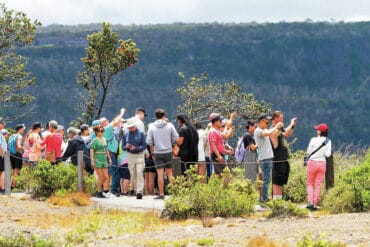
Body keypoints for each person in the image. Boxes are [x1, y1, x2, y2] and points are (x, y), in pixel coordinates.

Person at [146, 108, 178, 199]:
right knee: (170, 173)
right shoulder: (170, 125)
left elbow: (148, 141)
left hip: (157, 152)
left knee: (159, 174)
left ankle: (161, 194)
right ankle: (174, 193)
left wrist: (153, 146)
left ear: (155, 116)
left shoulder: (151, 126)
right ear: (164, 116)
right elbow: (175, 137)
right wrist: (171, 144)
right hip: (168, 151)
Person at [254, 114, 283, 203]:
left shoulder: (265, 129)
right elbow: (270, 133)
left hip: (268, 158)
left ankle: (264, 197)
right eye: (266, 121)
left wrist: (278, 128)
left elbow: (274, 133)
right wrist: (276, 127)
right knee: (266, 180)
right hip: (264, 158)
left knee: (267, 179)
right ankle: (264, 198)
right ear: (261, 121)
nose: (268, 123)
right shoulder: (258, 131)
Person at [270, 111, 297, 200]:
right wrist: (278, 127)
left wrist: (292, 125)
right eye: (281, 118)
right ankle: (276, 202)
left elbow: (287, 134)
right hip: (277, 160)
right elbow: (274, 133)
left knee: (280, 182)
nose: (282, 120)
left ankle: (279, 201)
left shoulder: (279, 129)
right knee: (276, 182)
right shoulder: (273, 129)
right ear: (276, 119)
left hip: (283, 160)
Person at [100, 108, 126, 197]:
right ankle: (114, 190)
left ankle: (110, 190)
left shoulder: (104, 130)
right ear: (104, 123)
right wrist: (121, 113)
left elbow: (115, 123)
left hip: (109, 152)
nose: (109, 121)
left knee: (110, 172)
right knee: (115, 172)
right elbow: (115, 122)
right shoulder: (107, 129)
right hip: (111, 152)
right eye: (107, 121)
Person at [305, 123, 332, 210]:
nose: (317, 131)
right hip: (322, 163)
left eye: (318, 129)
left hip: (312, 162)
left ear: (320, 132)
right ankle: (315, 203)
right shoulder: (328, 141)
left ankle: (310, 202)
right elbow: (328, 154)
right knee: (318, 184)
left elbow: (308, 152)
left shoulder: (313, 140)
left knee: (310, 183)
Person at [122, 118, 146, 199]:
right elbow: (122, 147)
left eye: (132, 127)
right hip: (130, 155)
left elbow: (144, 146)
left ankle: (139, 191)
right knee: (133, 174)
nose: (130, 128)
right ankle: (136, 190)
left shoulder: (141, 133)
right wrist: (127, 146)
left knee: (139, 172)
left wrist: (136, 148)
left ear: (135, 125)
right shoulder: (126, 134)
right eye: (129, 127)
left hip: (139, 155)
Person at [90, 125, 112, 198]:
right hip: (97, 158)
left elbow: (106, 150)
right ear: (96, 132)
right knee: (100, 176)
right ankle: (99, 191)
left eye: (102, 131)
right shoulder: (95, 140)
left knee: (106, 176)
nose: (101, 132)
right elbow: (92, 151)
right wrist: (92, 161)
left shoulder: (104, 139)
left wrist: (109, 158)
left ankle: (98, 189)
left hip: (104, 158)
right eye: (99, 131)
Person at [208, 112, 231, 178]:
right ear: (214, 122)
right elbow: (213, 145)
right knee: (227, 175)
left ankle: (216, 188)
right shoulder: (213, 131)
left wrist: (226, 151)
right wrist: (218, 156)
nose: (221, 122)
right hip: (217, 156)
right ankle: (225, 188)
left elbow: (219, 144)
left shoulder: (217, 131)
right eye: (219, 120)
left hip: (219, 154)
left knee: (219, 176)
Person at [9, 124, 25, 188]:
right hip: (17, 154)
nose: (24, 129)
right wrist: (24, 149)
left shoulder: (12, 136)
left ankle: (12, 184)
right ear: (20, 129)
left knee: (14, 170)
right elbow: (18, 146)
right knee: (16, 170)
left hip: (11, 154)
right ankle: (13, 185)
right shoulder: (19, 136)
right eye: (23, 128)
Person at [0, 118, 7, 193]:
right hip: (0, 155)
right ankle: (2, 187)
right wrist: (1, 154)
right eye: (2, 123)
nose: (3, 125)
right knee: (2, 171)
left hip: (2, 154)